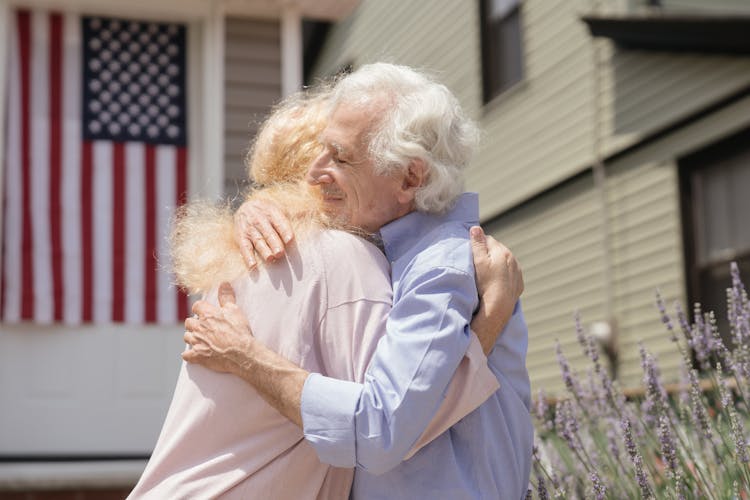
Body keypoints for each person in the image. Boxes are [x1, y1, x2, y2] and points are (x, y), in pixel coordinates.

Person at [129, 88, 514, 499]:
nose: (322, 169)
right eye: (328, 153)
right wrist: (489, 322)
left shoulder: (242, 258)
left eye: (340, 155)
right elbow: (388, 429)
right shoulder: (344, 261)